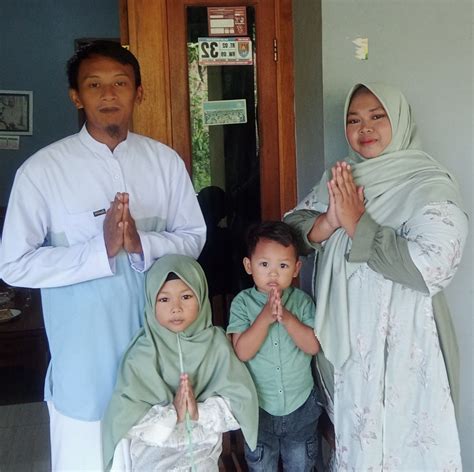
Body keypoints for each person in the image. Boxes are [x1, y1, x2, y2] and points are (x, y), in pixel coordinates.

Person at [0, 40, 206, 470]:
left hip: (159, 355)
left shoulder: (165, 163)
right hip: (85, 365)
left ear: (138, 92)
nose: (108, 94)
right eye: (94, 85)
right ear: (76, 96)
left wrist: (141, 243)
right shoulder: (42, 171)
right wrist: (100, 249)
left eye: (120, 83)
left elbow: (193, 238)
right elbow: (13, 264)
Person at [284, 83, 468, 470]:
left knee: (408, 445)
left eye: (377, 116)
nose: (364, 128)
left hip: (409, 342)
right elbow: (289, 234)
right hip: (352, 343)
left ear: (398, 120)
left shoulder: (428, 183)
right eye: (354, 120)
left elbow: (432, 266)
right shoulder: (342, 178)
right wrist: (328, 220)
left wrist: (357, 223)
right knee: (359, 445)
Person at [102, 254, 258, 471]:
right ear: (150, 301)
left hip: (204, 462)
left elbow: (240, 406)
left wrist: (199, 413)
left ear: (201, 296)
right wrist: (172, 414)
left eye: (186, 296)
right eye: (164, 299)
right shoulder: (142, 354)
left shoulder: (217, 346)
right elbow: (124, 421)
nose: (176, 308)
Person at [226, 221, 322, 471]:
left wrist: (287, 318)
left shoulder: (301, 302)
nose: (273, 273)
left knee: (300, 464)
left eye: (283, 265)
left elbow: (313, 346)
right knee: (261, 465)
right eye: (264, 264)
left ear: (296, 268)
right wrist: (264, 318)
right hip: (259, 409)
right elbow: (242, 352)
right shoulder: (242, 303)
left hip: (301, 406)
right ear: (249, 266)